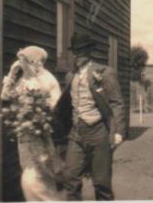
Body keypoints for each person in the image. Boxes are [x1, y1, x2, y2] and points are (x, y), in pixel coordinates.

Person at [54, 32, 126, 200]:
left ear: (89, 51)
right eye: (75, 51)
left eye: (82, 50)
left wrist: (119, 132)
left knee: (102, 183)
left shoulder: (104, 72)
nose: (78, 55)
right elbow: (65, 104)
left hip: (98, 132)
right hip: (76, 133)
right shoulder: (70, 75)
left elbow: (117, 102)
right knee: (70, 178)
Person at [1, 46, 65, 201]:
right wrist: (12, 72)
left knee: (36, 177)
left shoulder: (48, 80)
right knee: (30, 173)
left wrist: (39, 117)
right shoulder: (23, 80)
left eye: (24, 61)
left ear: (35, 62)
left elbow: (56, 108)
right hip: (24, 135)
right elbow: (4, 96)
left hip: (40, 134)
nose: (21, 64)